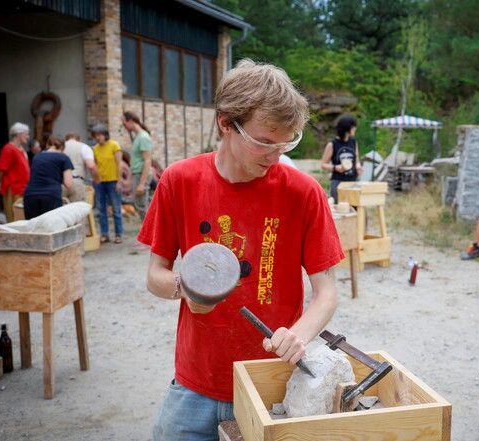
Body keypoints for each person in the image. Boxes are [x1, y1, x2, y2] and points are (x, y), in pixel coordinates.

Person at [137, 59, 343, 441]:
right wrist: (185, 288)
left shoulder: (304, 192)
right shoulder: (179, 180)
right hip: (196, 381)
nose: (275, 155)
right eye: (264, 142)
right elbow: (155, 275)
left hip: (272, 382)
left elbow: (326, 293)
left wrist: (299, 334)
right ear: (225, 124)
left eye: (286, 143)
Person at [22, 135, 73, 219]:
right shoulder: (64, 158)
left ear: (47, 145)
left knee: (33, 227)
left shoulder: (37, 157)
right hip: (51, 195)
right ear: (63, 148)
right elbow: (68, 184)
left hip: (30, 195)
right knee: (51, 227)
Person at [92, 124, 125, 244]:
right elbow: (95, 165)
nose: (97, 138)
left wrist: (119, 181)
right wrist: (94, 178)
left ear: (105, 135)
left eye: (99, 135)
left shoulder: (114, 145)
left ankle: (118, 234)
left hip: (113, 181)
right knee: (101, 210)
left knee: (116, 209)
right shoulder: (95, 148)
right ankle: (104, 234)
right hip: (100, 182)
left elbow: (119, 163)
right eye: (95, 136)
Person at [320, 115, 363, 203]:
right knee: (338, 208)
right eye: (353, 126)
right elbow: (323, 164)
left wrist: (358, 167)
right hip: (338, 182)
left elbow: (356, 160)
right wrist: (336, 168)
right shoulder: (332, 144)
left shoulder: (353, 142)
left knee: (354, 208)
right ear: (347, 128)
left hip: (352, 181)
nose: (355, 128)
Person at [0, 122, 31, 223]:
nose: (28, 137)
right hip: (13, 188)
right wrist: (0, 182)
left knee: (22, 216)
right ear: (19, 134)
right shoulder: (9, 149)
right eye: (26, 134)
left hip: (22, 187)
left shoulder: (20, 148)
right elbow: (0, 169)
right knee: (14, 216)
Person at [121, 111, 152, 220]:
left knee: (143, 207)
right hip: (137, 174)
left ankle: (152, 235)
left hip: (140, 175)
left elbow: (147, 161)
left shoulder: (143, 137)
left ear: (131, 121)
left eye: (124, 124)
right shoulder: (139, 137)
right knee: (140, 206)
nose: (124, 127)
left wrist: (142, 184)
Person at [63, 132, 101, 202]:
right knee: (77, 210)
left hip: (61, 182)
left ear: (66, 139)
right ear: (79, 139)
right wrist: (97, 179)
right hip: (77, 182)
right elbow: (91, 166)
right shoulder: (84, 147)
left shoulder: (60, 147)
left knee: (61, 211)